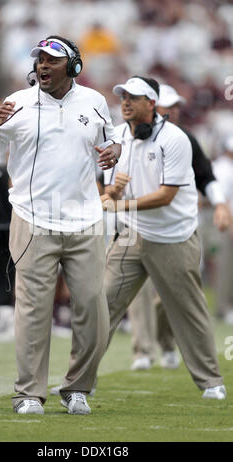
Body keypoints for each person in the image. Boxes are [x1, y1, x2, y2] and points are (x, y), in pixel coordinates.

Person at [0, 35, 121, 415]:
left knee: (93, 307)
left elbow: (112, 140)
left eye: (52, 60)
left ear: (73, 66)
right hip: (32, 217)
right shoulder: (17, 103)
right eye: (39, 59)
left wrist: (115, 151)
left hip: (86, 218)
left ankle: (77, 387)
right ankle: (28, 393)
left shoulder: (94, 101)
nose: (42, 65)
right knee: (33, 310)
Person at [101, 76, 226, 399]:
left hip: (172, 235)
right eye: (124, 97)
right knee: (104, 303)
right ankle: (81, 380)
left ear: (153, 105)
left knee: (184, 307)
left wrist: (221, 204)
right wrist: (110, 193)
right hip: (130, 231)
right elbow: (106, 185)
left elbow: (192, 182)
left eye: (134, 97)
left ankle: (209, 380)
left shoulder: (179, 139)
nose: (126, 102)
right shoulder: (116, 137)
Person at [128, 84, 230, 371]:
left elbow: (205, 176)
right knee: (138, 293)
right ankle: (142, 352)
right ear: (151, 106)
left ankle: (166, 342)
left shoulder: (185, 138)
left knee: (170, 294)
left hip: (174, 229)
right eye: (167, 106)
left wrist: (220, 204)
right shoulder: (128, 135)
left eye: (175, 106)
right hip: (136, 225)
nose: (173, 111)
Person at [212, 135, 233, 324]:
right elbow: (223, 201)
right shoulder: (223, 168)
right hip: (226, 223)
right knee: (225, 266)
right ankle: (223, 307)